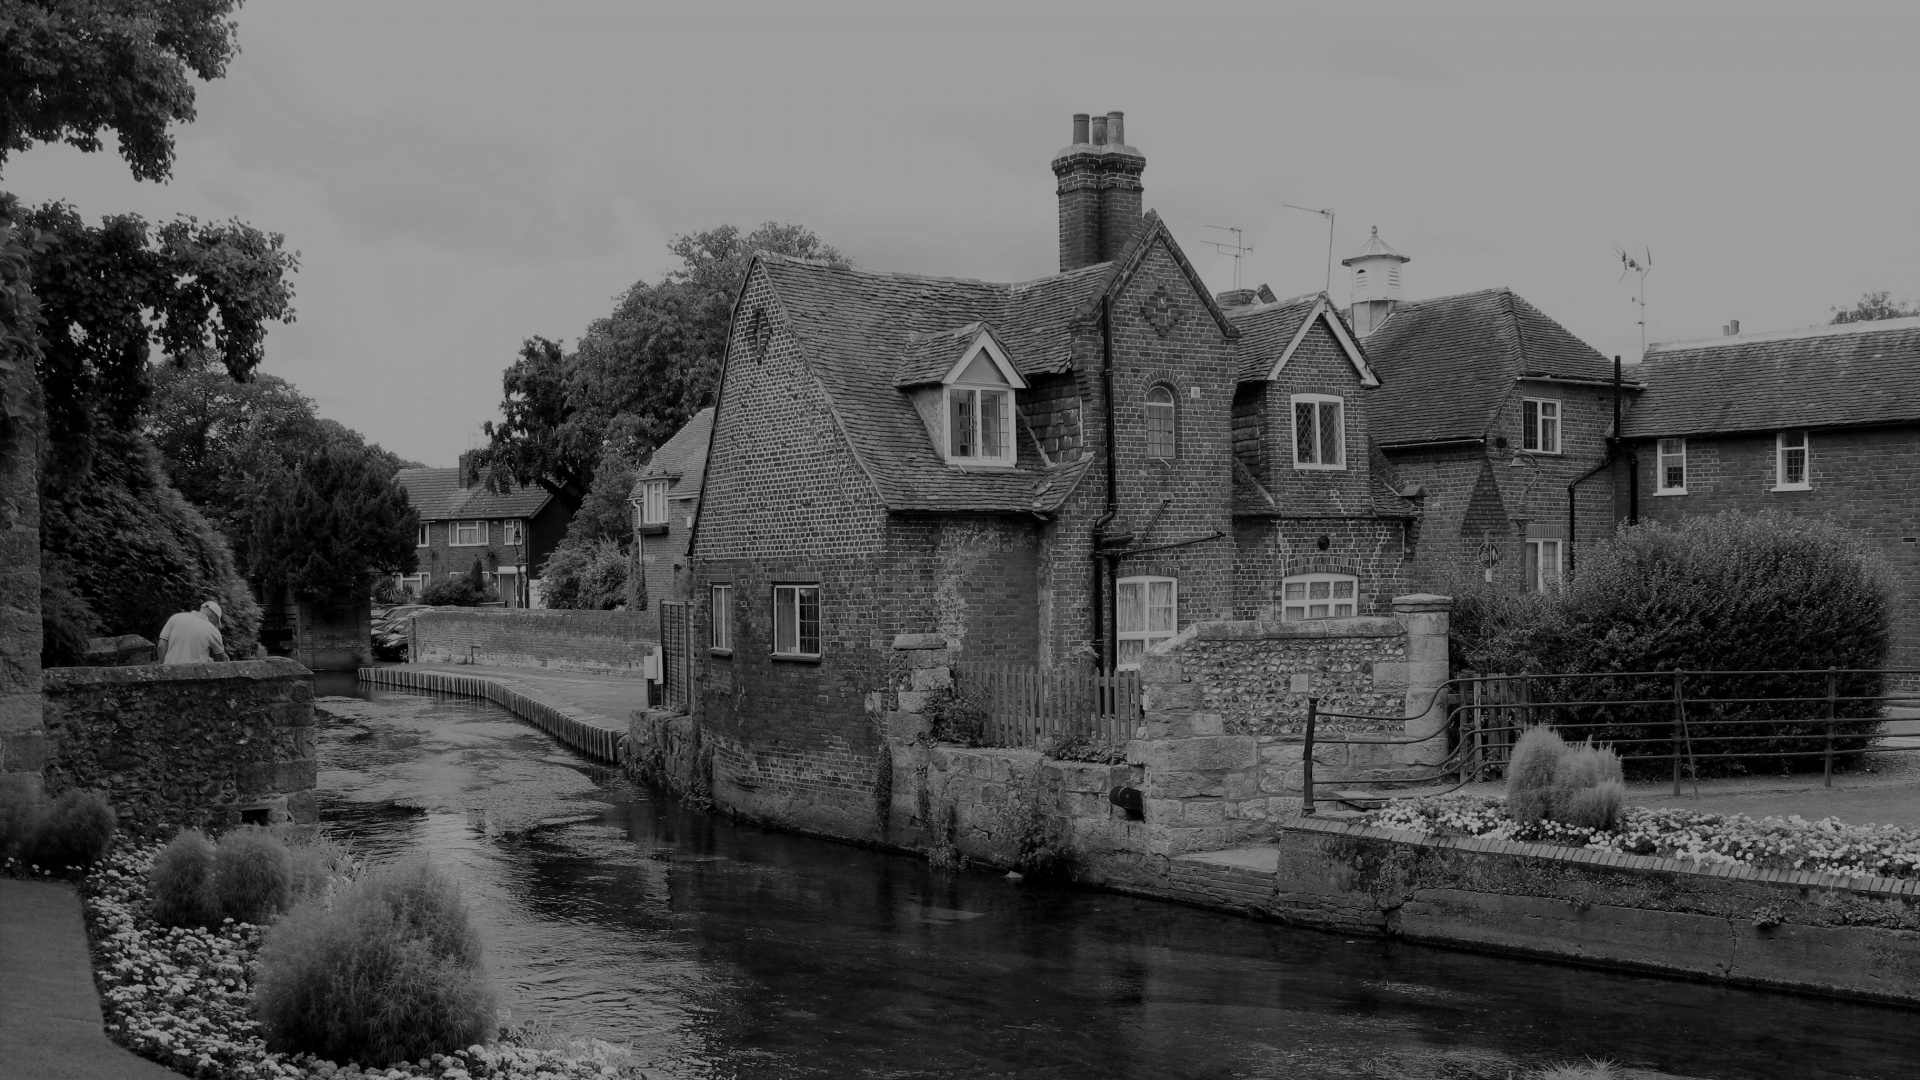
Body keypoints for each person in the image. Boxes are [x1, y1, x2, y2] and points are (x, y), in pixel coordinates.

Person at [158, 600, 229, 664]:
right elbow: (224, 659)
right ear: (214, 615)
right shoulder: (212, 629)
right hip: (194, 673)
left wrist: (164, 667)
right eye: (217, 621)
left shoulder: (175, 618)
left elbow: (161, 645)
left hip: (170, 671)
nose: (215, 625)